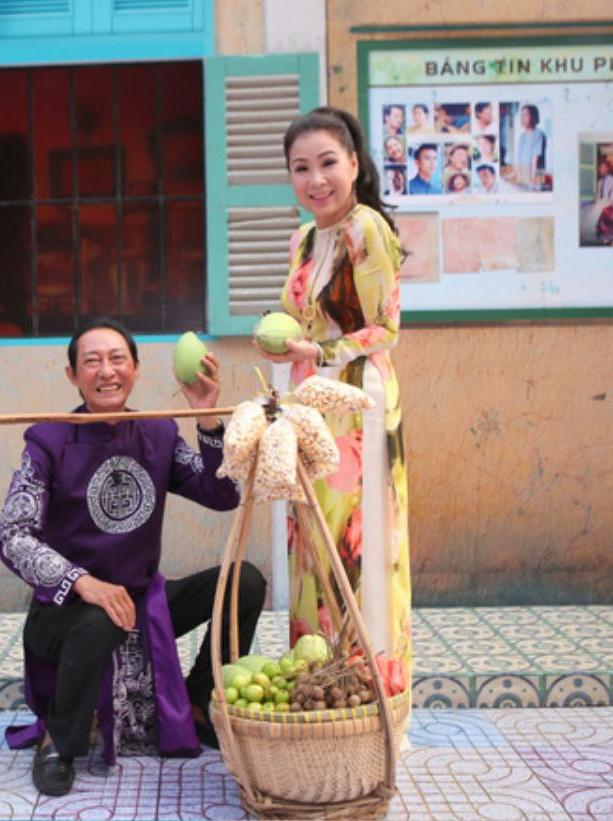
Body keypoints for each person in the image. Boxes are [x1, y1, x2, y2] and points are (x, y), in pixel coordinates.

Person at [0, 318, 266, 796]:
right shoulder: (47, 441)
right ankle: (60, 743)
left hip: (143, 603)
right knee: (99, 619)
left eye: (118, 359)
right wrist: (83, 581)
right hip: (66, 612)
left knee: (244, 581)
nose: (107, 371)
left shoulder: (158, 434)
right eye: (92, 361)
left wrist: (205, 416)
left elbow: (221, 494)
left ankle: (201, 702)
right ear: (72, 375)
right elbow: (12, 535)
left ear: (137, 369)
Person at [259, 104, 411, 695]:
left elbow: (385, 329)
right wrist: (280, 341)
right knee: (311, 539)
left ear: (353, 163)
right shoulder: (303, 238)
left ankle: (368, 688)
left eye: (327, 163)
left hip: (358, 402)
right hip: (308, 399)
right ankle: (318, 679)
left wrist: (316, 351)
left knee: (356, 544)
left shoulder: (365, 229)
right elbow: (300, 319)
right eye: (301, 168)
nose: (315, 179)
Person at [512, 103, 546, 190]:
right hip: (522, 177)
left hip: (535, 177)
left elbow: (536, 161)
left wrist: (533, 182)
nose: (522, 118)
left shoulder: (538, 134)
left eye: (526, 115)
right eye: (521, 115)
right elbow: (519, 159)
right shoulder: (522, 137)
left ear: (534, 117)